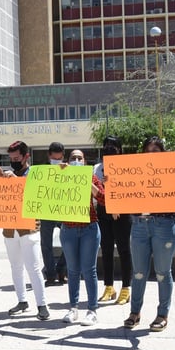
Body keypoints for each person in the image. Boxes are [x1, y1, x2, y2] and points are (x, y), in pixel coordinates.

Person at [124, 136, 175, 332]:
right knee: (138, 273)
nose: (151, 154)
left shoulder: (173, 171)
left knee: (163, 273)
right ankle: (134, 313)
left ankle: (162, 314)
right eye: (148, 150)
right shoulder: (135, 172)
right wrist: (114, 184)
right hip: (139, 225)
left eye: (156, 150)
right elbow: (123, 192)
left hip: (164, 226)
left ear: (163, 153)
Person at [0, 141, 49, 320]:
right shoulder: (9, 174)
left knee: (33, 267)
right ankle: (22, 300)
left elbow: (37, 192)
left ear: (26, 157)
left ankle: (42, 305)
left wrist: (16, 181)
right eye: (11, 158)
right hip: (10, 228)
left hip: (29, 227)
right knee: (16, 267)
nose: (14, 161)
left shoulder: (34, 173)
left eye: (17, 158)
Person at [59, 150, 104, 326]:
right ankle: (73, 308)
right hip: (68, 229)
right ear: (67, 161)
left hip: (89, 229)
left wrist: (86, 181)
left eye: (80, 158)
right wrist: (60, 172)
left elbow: (103, 198)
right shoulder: (61, 176)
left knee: (89, 270)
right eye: (73, 158)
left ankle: (92, 310)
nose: (76, 160)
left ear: (85, 162)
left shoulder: (91, 178)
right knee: (72, 270)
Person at [94, 136, 133, 305]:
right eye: (106, 146)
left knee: (124, 249)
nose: (109, 149)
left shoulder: (126, 166)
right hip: (104, 212)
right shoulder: (97, 168)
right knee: (107, 249)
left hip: (122, 213)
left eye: (113, 146)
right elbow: (97, 190)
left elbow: (129, 189)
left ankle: (126, 288)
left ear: (120, 149)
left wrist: (117, 205)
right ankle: (109, 287)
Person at [40, 142, 68, 286]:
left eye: (59, 157)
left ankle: (61, 269)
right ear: (49, 155)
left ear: (63, 155)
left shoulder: (69, 169)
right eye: (54, 158)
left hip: (63, 211)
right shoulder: (42, 170)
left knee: (68, 242)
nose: (57, 160)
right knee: (46, 244)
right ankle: (50, 274)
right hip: (46, 211)